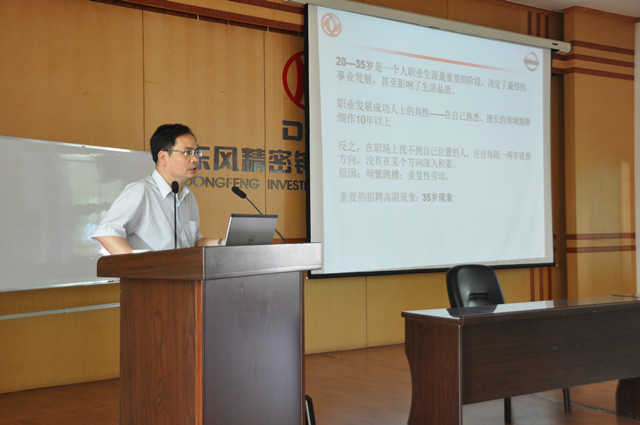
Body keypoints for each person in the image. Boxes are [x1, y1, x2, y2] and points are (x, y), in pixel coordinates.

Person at [93, 123, 223, 254]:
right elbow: (106, 233)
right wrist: (140, 264)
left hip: (184, 267)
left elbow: (193, 243)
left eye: (196, 152)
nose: (195, 159)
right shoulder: (141, 191)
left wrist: (223, 243)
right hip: (153, 268)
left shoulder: (188, 196)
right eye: (187, 152)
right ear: (163, 157)